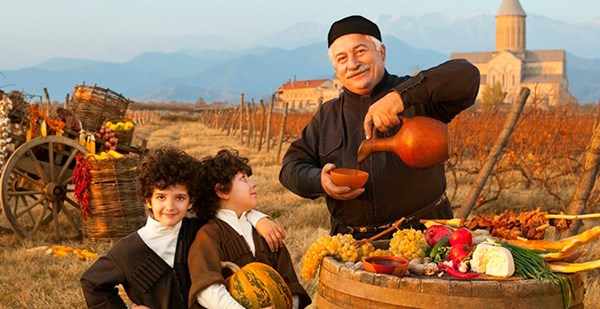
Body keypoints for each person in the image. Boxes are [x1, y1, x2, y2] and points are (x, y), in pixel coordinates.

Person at [279, 15, 481, 240]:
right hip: (353, 246)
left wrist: (400, 97)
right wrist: (320, 180)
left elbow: (468, 75)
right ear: (335, 67)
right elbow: (290, 168)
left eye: (361, 51)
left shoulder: (418, 97)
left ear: (381, 52)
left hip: (426, 239)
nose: (353, 64)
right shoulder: (327, 115)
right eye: (342, 58)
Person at [80, 146, 286, 309]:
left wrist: (258, 218)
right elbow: (92, 282)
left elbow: (229, 213)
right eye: (161, 197)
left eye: (179, 198)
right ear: (147, 199)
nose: (170, 207)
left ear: (190, 201)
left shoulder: (198, 231)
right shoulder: (129, 249)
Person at [188, 149, 311, 309]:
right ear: (222, 191)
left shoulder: (266, 232)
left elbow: (290, 284)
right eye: (243, 179)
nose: (253, 184)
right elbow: (207, 290)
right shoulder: (209, 235)